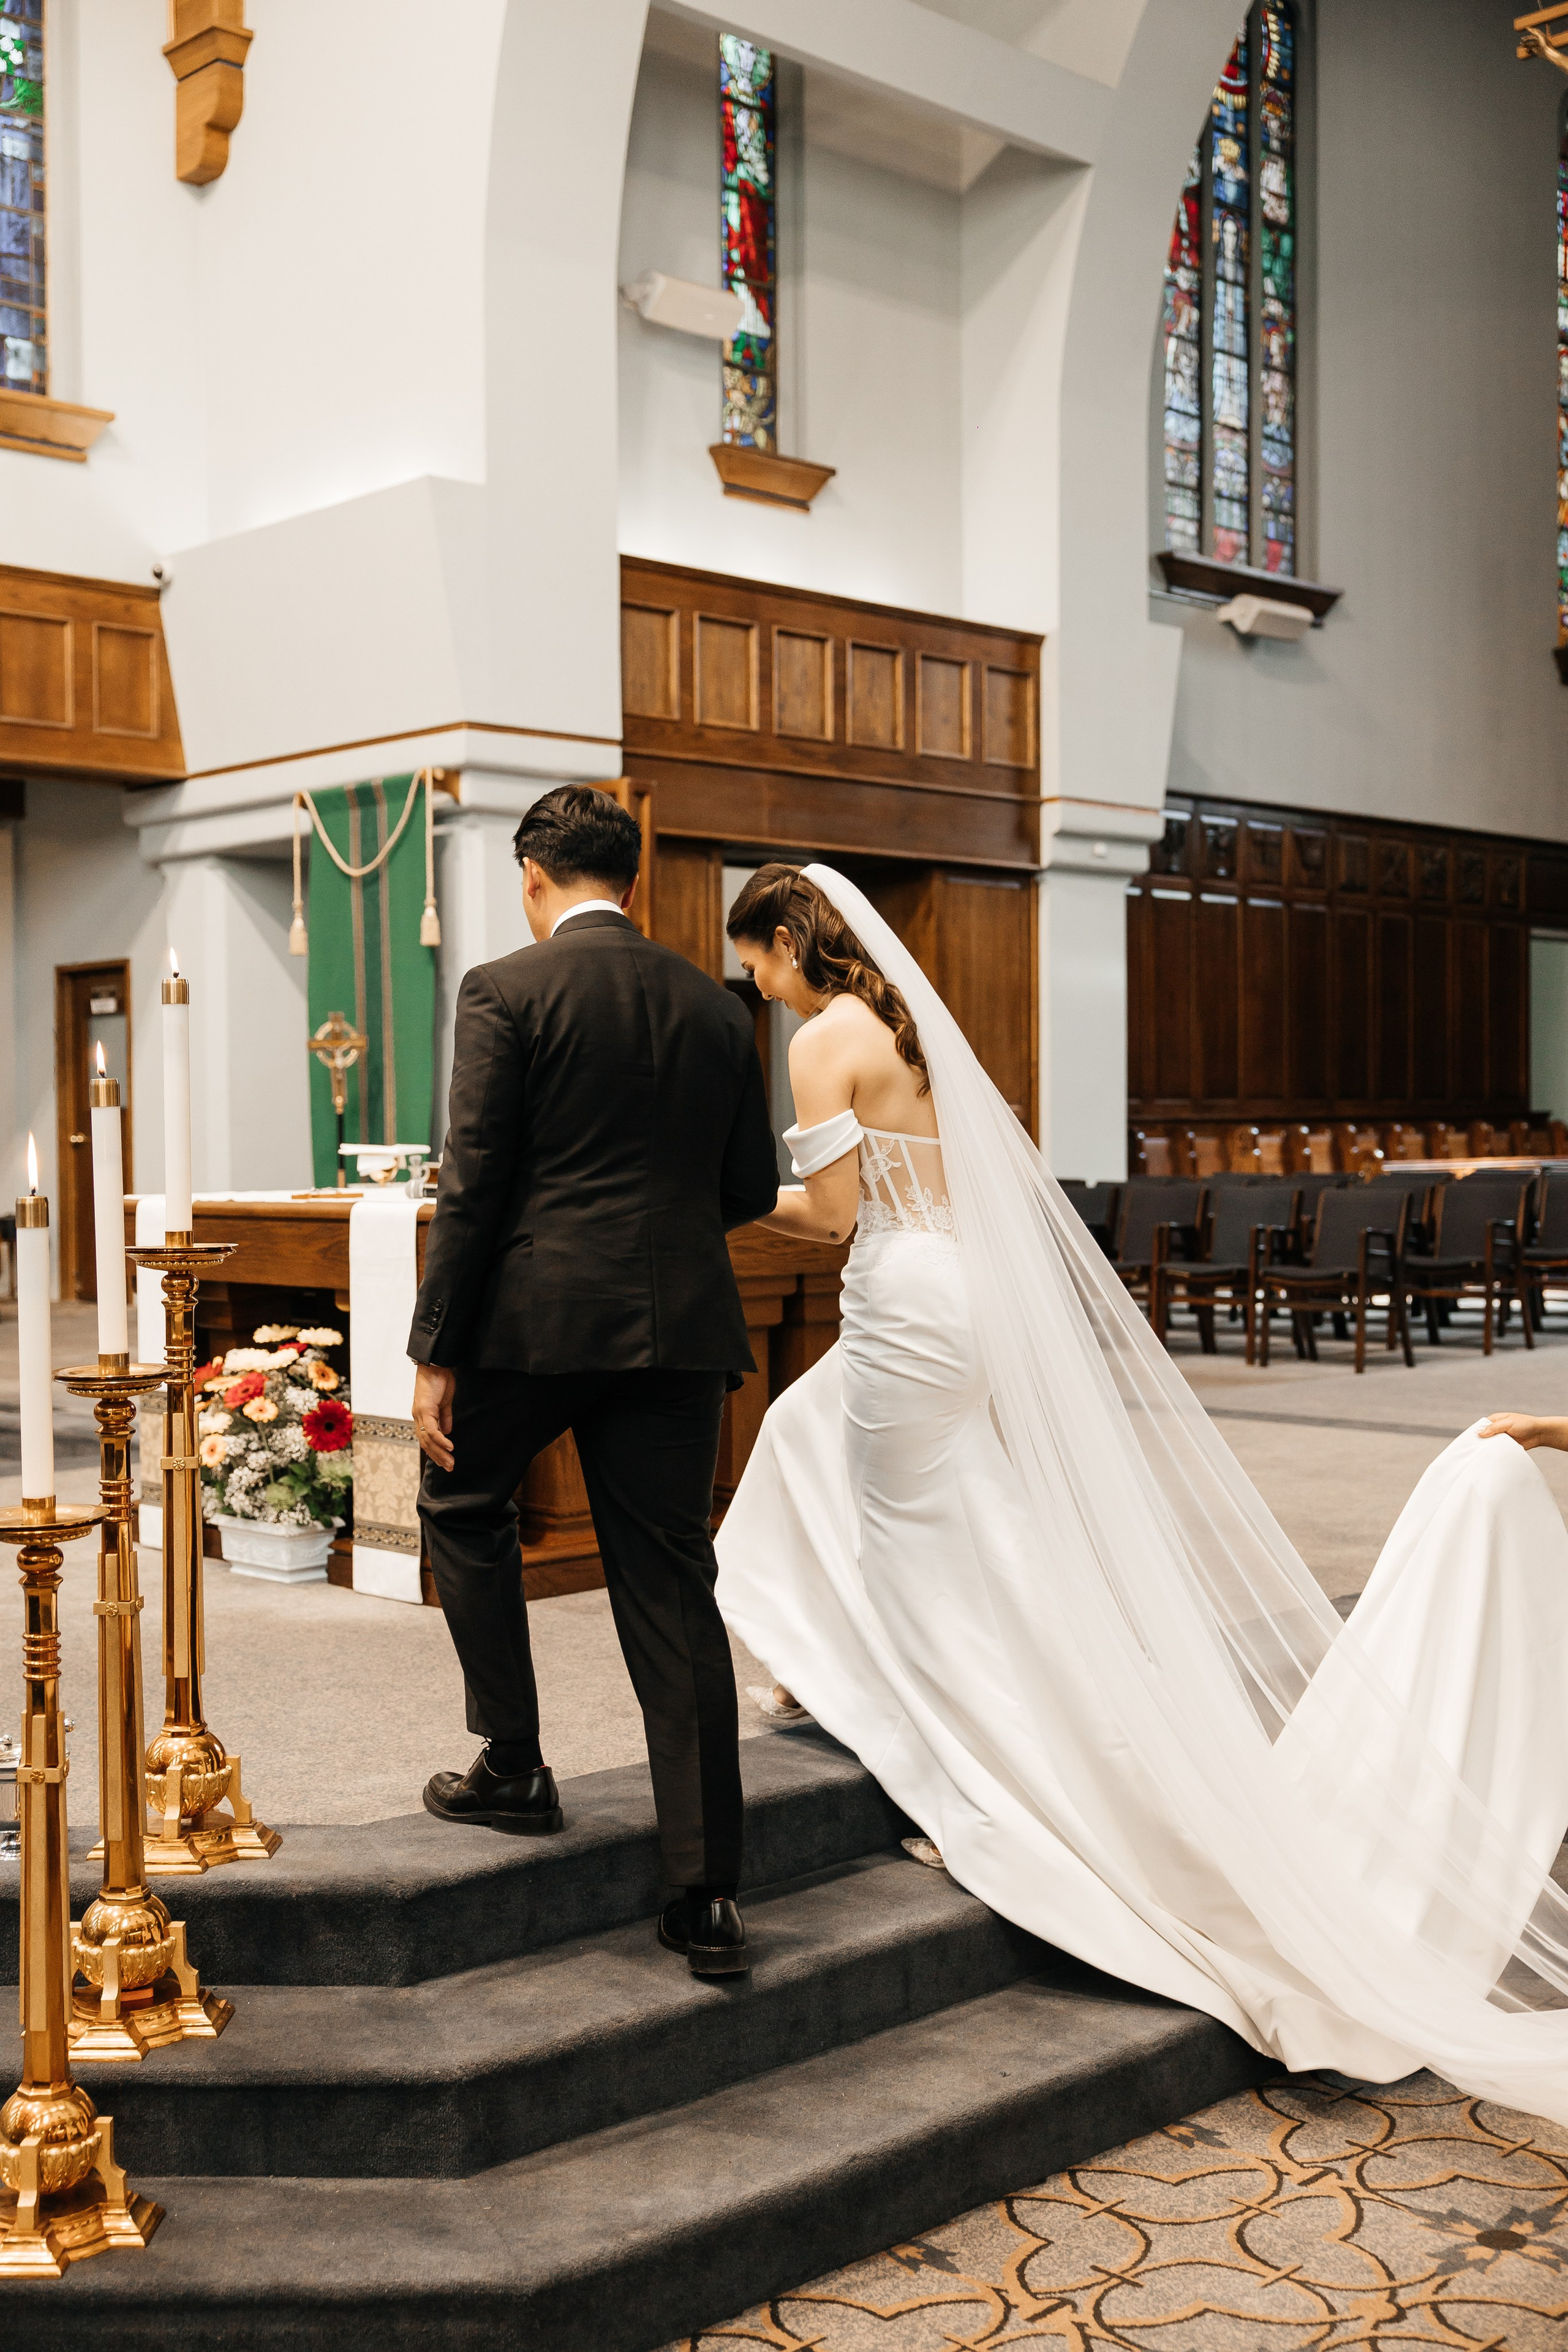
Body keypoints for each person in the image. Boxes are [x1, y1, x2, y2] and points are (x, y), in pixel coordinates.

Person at [715, 860, 1568, 2123]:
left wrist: (722, 1208)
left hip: (903, 1302)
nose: (756, 988)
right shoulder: (907, 1023)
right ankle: (825, 1653)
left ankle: (987, 1782)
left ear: (793, 941)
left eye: (757, 964)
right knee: (894, 1480)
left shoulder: (824, 1041)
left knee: (916, 1543)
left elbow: (837, 1218)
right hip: (966, 1299)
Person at [408, 785, 778, 1977]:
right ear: (636, 879)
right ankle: (706, 1892)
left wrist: (435, 1349)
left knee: (462, 1506)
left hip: (533, 1322)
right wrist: (660, 1236)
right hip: (677, 1324)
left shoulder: (505, 991)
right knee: (669, 1582)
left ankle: (511, 1764)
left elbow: (472, 1182)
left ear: (530, 876)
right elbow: (749, 1187)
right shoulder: (715, 1006)